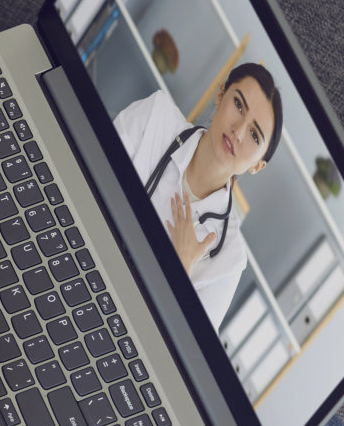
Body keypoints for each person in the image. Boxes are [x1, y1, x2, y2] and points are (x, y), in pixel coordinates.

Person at [111, 63, 283, 328]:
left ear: (258, 165)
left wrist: (180, 269)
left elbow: (175, 350)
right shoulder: (155, 116)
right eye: (238, 104)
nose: (238, 132)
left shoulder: (228, 259)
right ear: (220, 94)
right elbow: (85, 174)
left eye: (254, 135)